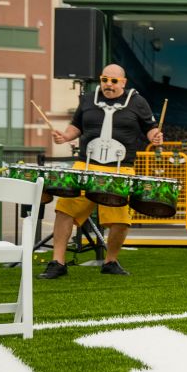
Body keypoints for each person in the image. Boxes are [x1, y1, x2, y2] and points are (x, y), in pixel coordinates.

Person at [39, 64, 164, 278]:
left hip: (120, 168)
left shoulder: (137, 102)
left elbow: (150, 127)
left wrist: (155, 136)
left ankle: (111, 261)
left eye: (114, 81)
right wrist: (66, 136)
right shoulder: (88, 99)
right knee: (64, 210)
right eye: (104, 79)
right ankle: (57, 262)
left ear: (123, 82)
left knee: (121, 220)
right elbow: (76, 125)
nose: (108, 84)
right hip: (85, 165)